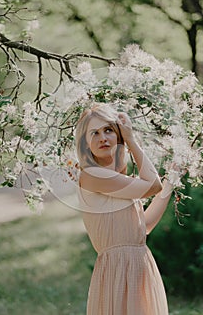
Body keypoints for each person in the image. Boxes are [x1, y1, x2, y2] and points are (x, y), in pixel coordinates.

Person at [75, 103, 175, 315]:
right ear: (85, 145)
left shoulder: (119, 181)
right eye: (94, 133)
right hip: (117, 269)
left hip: (139, 263)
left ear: (116, 135)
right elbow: (153, 185)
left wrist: (171, 182)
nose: (103, 138)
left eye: (108, 130)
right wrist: (131, 139)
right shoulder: (92, 175)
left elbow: (144, 227)